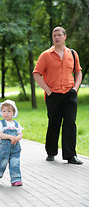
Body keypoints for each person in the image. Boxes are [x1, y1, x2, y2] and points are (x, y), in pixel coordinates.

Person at [33, 26, 83, 165]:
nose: (56, 37)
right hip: (53, 94)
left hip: (69, 94)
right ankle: (51, 152)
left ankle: (70, 155)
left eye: (59, 35)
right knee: (54, 124)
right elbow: (36, 74)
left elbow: (78, 72)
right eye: (54, 35)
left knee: (70, 124)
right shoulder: (45, 55)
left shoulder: (72, 54)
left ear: (65, 37)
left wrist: (75, 88)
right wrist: (48, 91)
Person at [0, 100, 23, 186]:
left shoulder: (16, 124)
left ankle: (16, 179)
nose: (6, 113)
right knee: (2, 162)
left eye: (9, 111)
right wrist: (10, 137)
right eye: (4, 111)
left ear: (14, 113)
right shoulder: (1, 123)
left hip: (15, 148)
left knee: (15, 163)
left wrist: (17, 138)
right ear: (1, 112)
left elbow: (20, 133)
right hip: (4, 149)